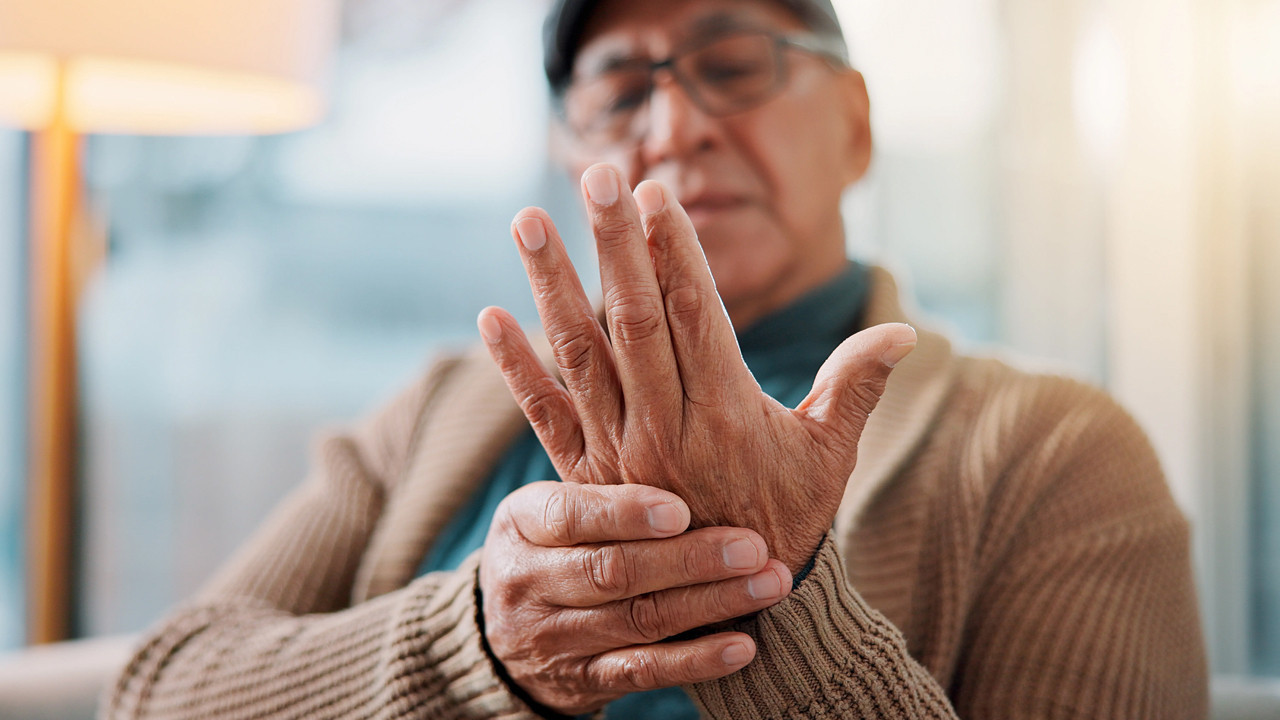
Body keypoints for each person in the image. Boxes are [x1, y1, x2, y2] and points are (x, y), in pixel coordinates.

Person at [102, 0, 1208, 717]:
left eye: (735, 65)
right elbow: (158, 691)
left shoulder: (1050, 454)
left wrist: (771, 590)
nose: (674, 127)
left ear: (856, 127)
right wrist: (478, 648)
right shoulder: (445, 408)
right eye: (622, 90)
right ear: (568, 145)